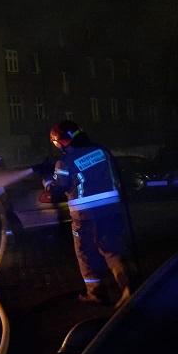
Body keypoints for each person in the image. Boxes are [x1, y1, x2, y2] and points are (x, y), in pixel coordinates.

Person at [44, 120, 133, 308]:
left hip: (85, 216)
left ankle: (96, 293)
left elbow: (58, 188)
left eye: (55, 142)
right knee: (112, 250)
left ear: (60, 141)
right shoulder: (101, 151)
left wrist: (46, 181)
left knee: (84, 253)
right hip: (111, 210)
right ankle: (129, 289)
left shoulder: (64, 161)